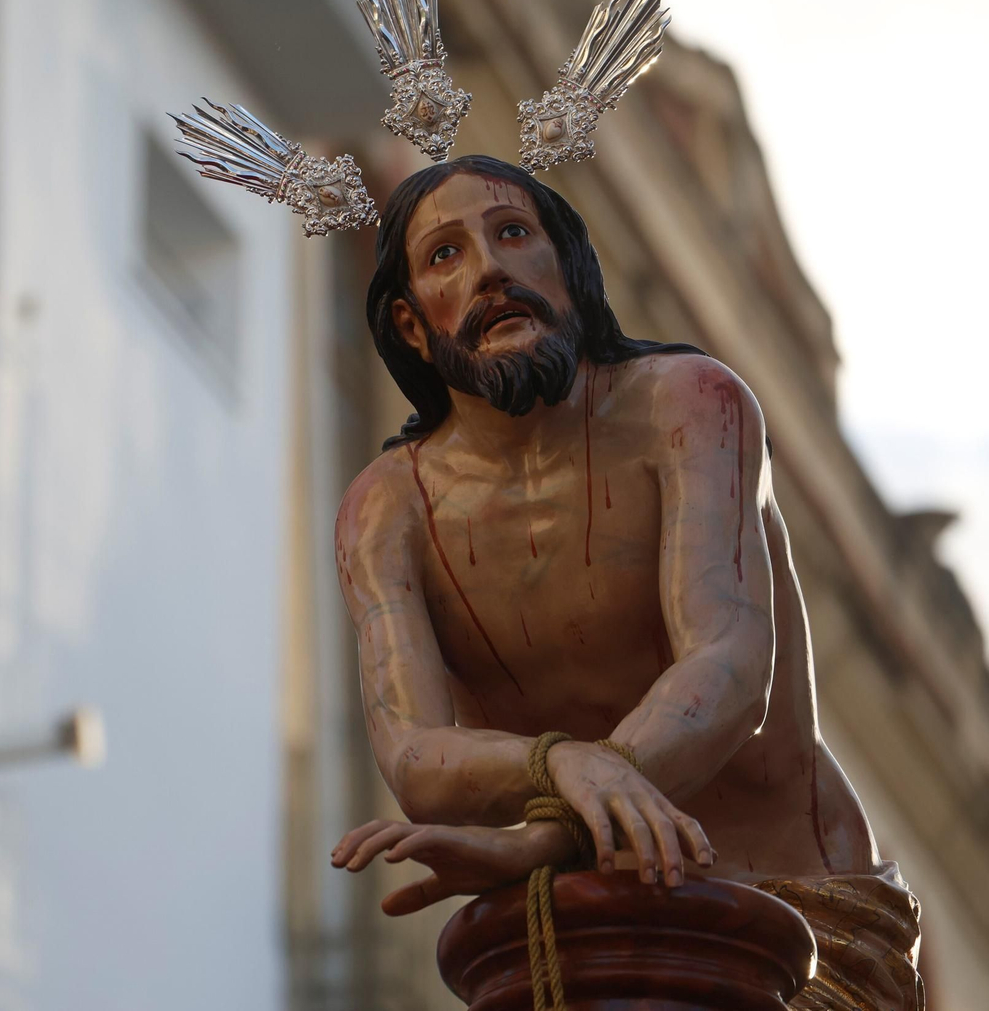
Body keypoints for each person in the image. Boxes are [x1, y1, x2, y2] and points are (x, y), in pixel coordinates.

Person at [327, 154, 923, 1010]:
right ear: (413, 324)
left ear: (567, 268)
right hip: (576, 931)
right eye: (446, 255)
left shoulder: (687, 405)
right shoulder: (388, 510)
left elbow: (727, 662)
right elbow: (415, 754)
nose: (491, 267)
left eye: (513, 233)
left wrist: (552, 830)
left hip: (796, 923)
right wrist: (563, 764)